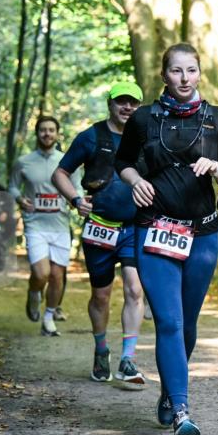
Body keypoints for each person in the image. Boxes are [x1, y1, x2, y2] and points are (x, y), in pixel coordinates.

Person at [114, 42, 218, 435]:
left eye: (190, 71)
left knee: (186, 323)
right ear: (163, 75)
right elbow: (123, 163)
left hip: (202, 236)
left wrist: (217, 167)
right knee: (168, 320)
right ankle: (182, 414)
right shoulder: (144, 119)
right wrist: (136, 182)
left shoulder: (216, 120)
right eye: (176, 72)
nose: (184, 79)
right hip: (155, 230)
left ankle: (170, 391)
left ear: (200, 73)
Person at [52, 82, 146, 389]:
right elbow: (60, 173)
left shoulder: (146, 138)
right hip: (99, 227)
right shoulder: (91, 137)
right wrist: (76, 200)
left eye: (133, 103)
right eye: (122, 101)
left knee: (135, 290)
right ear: (110, 103)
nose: (127, 108)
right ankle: (101, 349)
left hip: (133, 228)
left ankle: (128, 358)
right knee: (101, 295)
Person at [8, 115, 74, 337]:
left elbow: (78, 190)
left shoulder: (67, 161)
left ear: (57, 134)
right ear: (37, 133)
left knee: (57, 276)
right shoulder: (24, 161)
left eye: (51, 130)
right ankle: (34, 292)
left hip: (60, 224)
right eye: (43, 130)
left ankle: (48, 319)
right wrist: (20, 199)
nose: (47, 134)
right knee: (42, 272)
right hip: (35, 224)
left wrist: (76, 201)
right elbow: (13, 187)